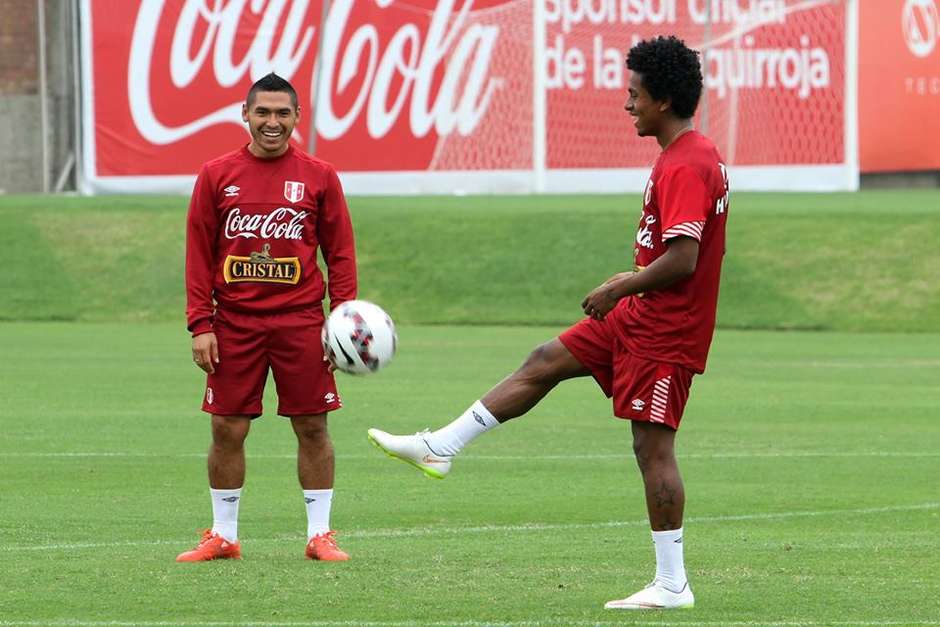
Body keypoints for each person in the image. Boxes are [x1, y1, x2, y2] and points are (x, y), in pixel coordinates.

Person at [368, 36, 729, 609]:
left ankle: (672, 583)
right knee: (544, 360)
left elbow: (684, 258)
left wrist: (621, 284)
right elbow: (672, 249)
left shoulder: (688, 162)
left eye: (633, 94)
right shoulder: (682, 155)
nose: (626, 104)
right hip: (638, 318)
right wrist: (629, 285)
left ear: (661, 99)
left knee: (652, 448)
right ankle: (441, 446)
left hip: (666, 331)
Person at [178, 72, 357, 563]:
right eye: (263, 112)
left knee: (313, 427)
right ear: (246, 115)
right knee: (226, 429)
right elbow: (198, 253)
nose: (272, 122)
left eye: (282, 113)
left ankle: (320, 535)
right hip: (234, 323)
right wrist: (201, 324)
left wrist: (341, 321)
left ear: (297, 117)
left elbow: (340, 253)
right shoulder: (216, 175)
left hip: (301, 322)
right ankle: (224, 535)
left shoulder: (320, 176)